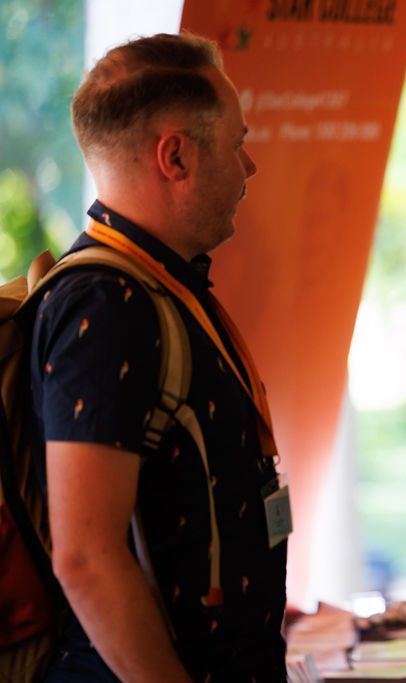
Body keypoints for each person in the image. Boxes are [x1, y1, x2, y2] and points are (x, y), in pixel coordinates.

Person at [32, 33, 288, 681]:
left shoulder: (156, 287)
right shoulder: (106, 304)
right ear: (175, 155)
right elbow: (85, 557)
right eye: (237, 143)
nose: (249, 166)